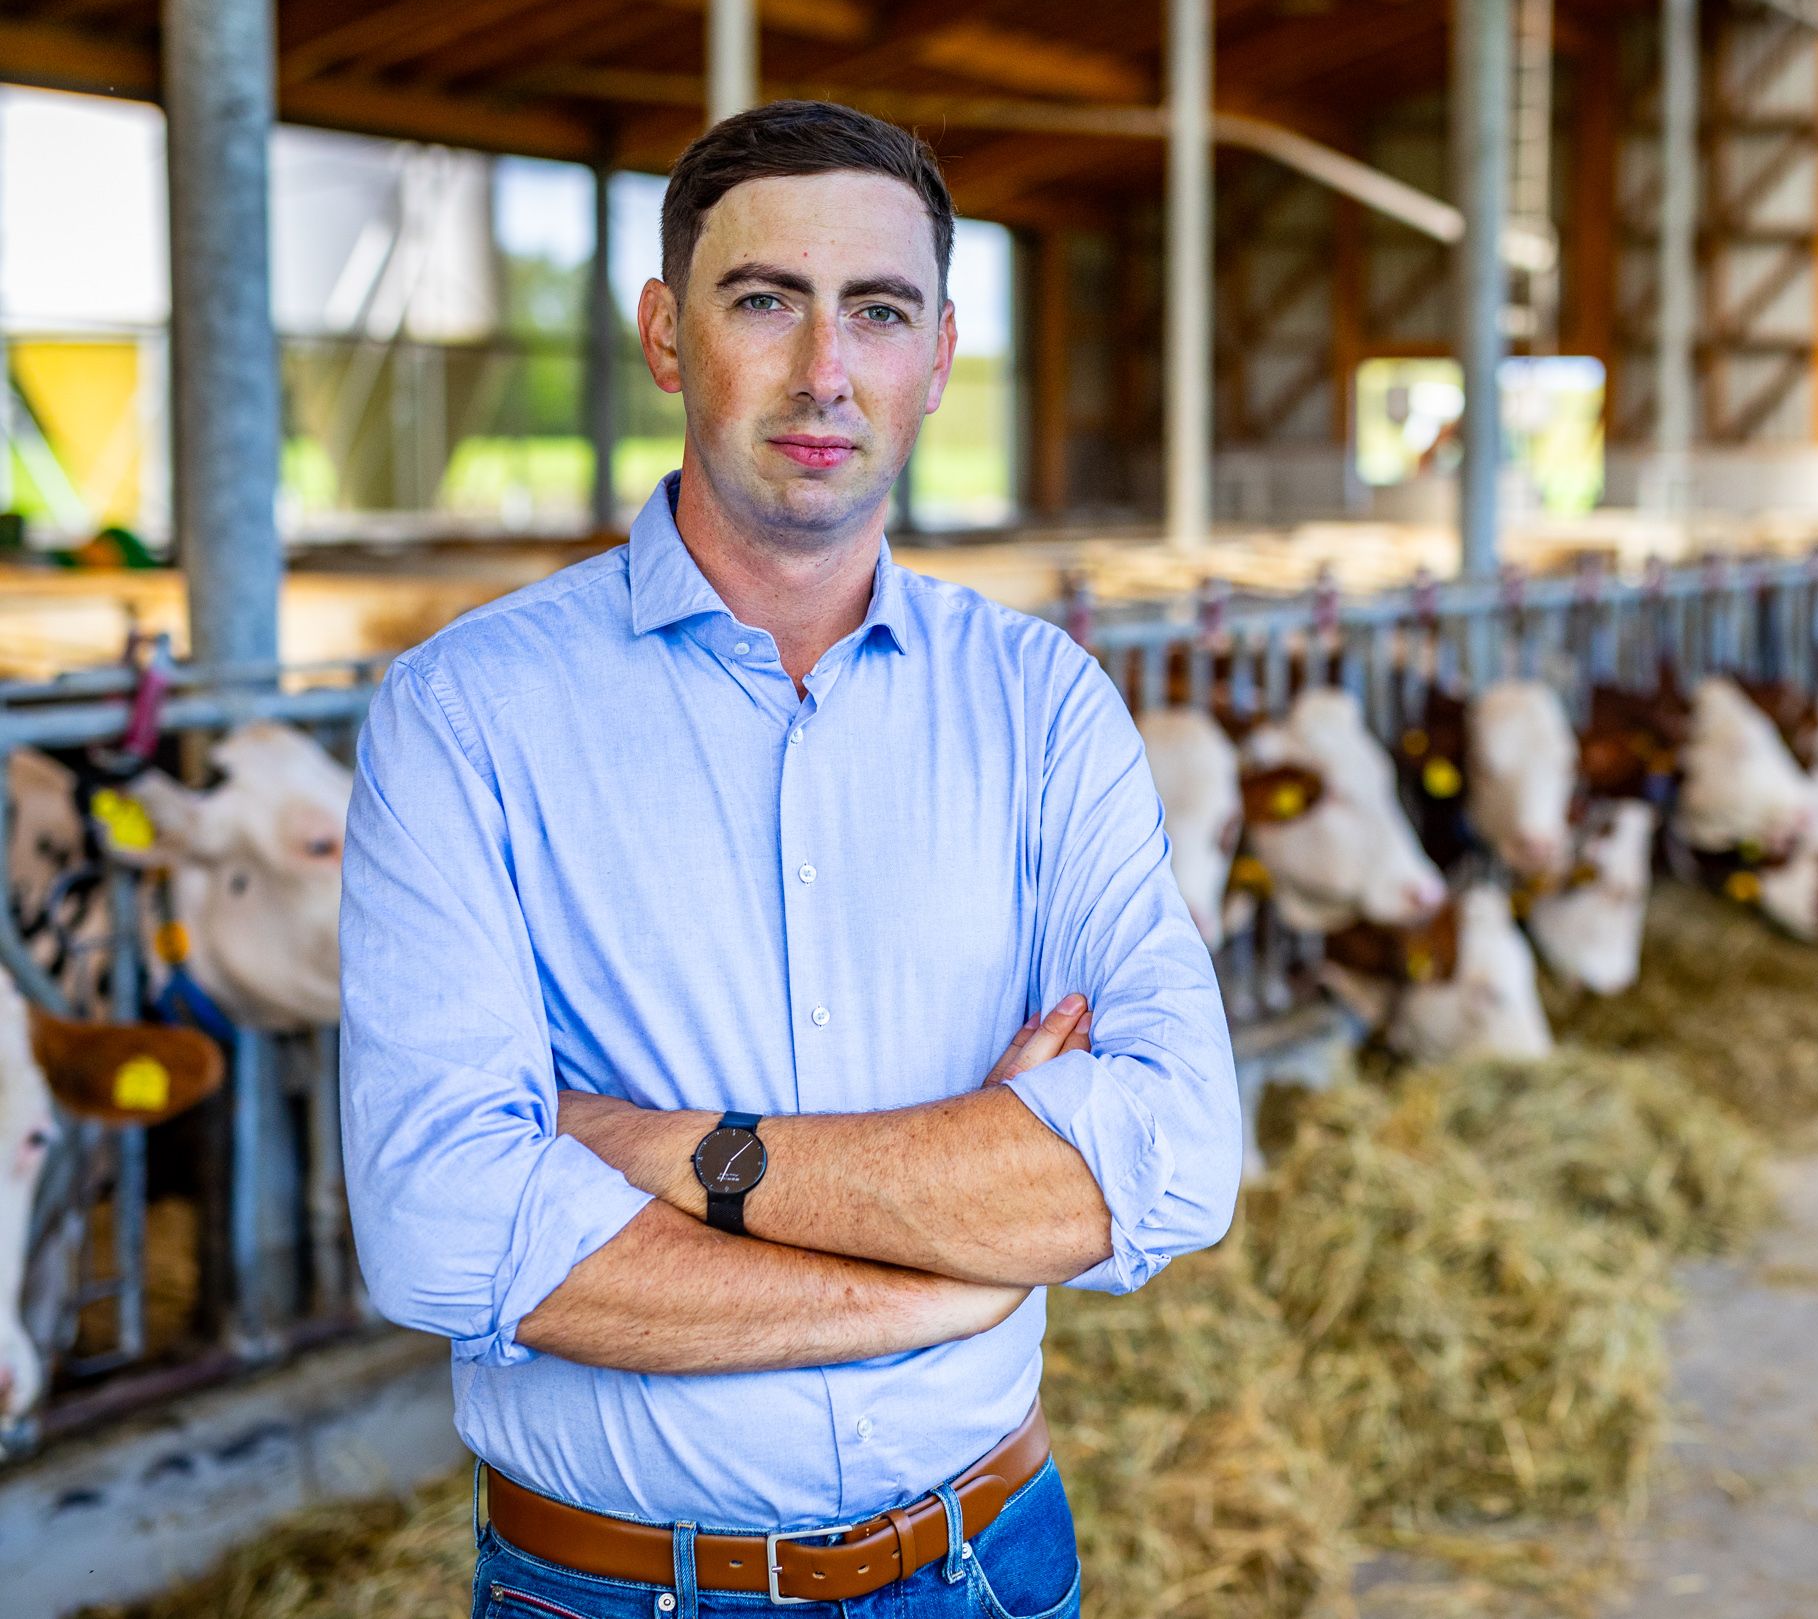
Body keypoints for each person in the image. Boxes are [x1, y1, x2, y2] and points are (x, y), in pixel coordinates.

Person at [340, 100, 1242, 1619]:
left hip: (990, 1566)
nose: (827, 371)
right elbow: (440, 1231)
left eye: (878, 313)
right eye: (766, 300)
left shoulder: (1040, 706)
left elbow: (1174, 1157)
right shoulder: (466, 714)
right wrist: (950, 1268)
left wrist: (665, 1154)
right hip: (620, 1593)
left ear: (940, 355)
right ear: (668, 335)